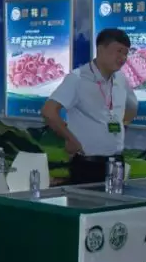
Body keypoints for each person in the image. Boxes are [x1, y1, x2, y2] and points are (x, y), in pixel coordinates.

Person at [41, 29, 138, 185]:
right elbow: (49, 111)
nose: (123, 58)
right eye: (119, 51)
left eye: (126, 53)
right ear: (101, 49)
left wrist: (120, 127)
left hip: (116, 162)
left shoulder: (121, 79)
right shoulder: (77, 79)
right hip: (87, 164)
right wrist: (71, 140)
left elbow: (133, 107)